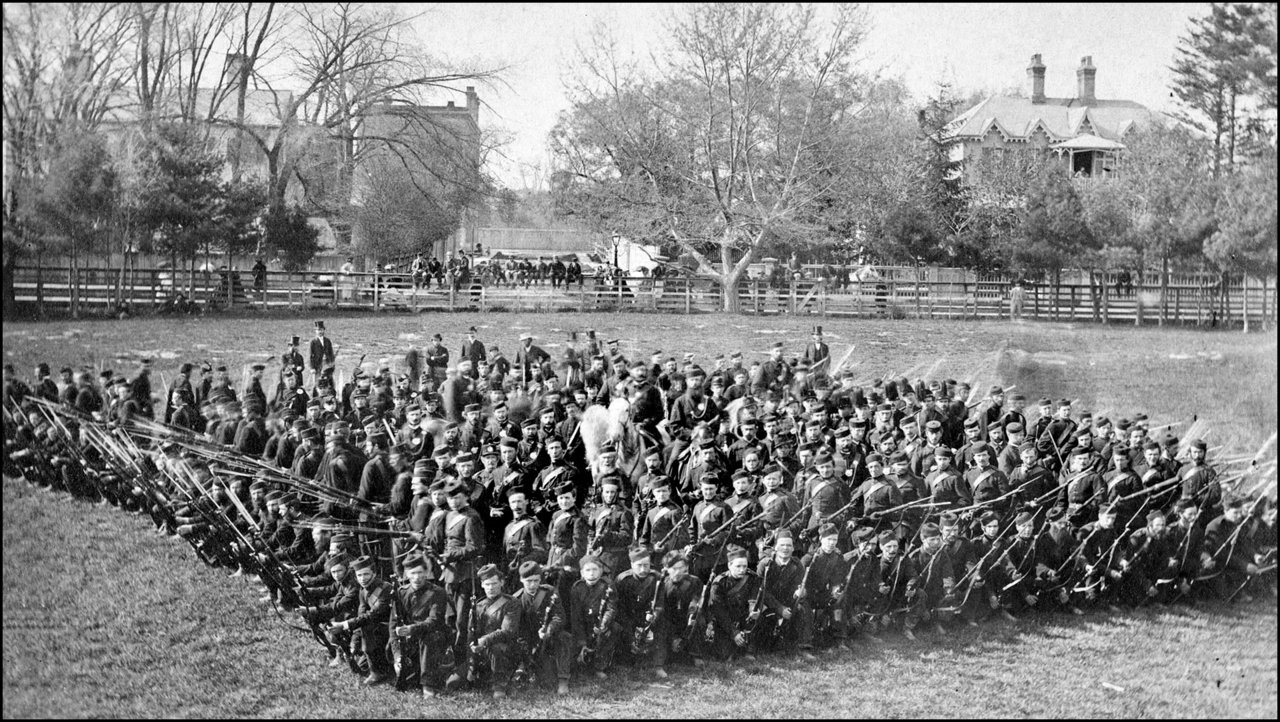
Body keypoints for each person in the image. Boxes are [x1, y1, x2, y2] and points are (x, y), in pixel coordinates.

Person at [390, 554, 450, 697]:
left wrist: (411, 629)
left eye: (420, 573)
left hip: (431, 636)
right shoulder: (401, 593)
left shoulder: (437, 592)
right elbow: (393, 625)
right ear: (406, 574)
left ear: (427, 572)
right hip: (408, 640)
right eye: (412, 573)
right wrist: (397, 655)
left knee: (429, 639)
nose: (416, 577)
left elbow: (434, 621)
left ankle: (428, 684)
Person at [330, 555, 393, 686]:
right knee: (360, 668)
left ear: (374, 573)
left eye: (366, 574)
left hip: (390, 630)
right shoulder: (363, 591)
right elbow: (361, 616)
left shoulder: (385, 588)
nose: (362, 579)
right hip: (374, 631)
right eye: (359, 575)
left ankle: (378, 673)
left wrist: (345, 625)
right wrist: (354, 644)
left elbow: (371, 615)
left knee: (368, 628)